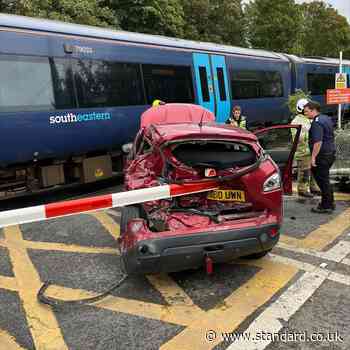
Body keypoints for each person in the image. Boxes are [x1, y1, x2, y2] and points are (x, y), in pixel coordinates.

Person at [304, 101, 336, 213]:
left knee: (322, 181)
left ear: (313, 110)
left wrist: (313, 157)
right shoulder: (326, 118)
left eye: (307, 111)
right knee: (325, 179)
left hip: (321, 156)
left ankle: (326, 205)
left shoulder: (316, 123)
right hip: (330, 153)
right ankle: (330, 202)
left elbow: (318, 142)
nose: (305, 114)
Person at [291, 98, 319, 198]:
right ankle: (302, 190)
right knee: (304, 172)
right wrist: (308, 131)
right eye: (306, 108)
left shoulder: (308, 119)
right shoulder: (296, 121)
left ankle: (313, 187)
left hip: (311, 150)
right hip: (303, 152)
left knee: (313, 170)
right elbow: (297, 138)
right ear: (302, 109)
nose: (308, 110)